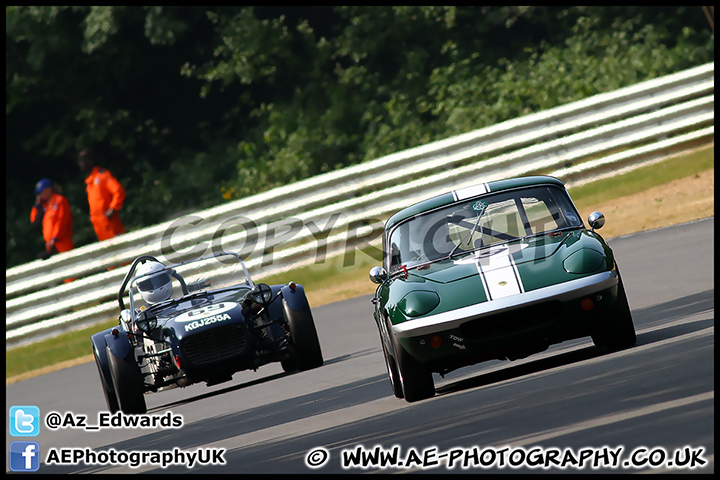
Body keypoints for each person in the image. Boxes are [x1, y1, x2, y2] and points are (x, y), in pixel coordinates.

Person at [78, 147, 126, 242]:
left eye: (82, 161)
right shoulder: (90, 181)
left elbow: (118, 190)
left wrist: (113, 208)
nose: (80, 164)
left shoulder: (102, 175)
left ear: (90, 161)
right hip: (100, 228)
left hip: (110, 225)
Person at [30, 178, 74, 260]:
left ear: (48, 189)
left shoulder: (59, 200)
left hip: (62, 243)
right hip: (51, 245)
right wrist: (37, 206)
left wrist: (54, 238)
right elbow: (34, 221)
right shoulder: (45, 206)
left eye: (41, 192)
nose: (40, 195)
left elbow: (62, 222)